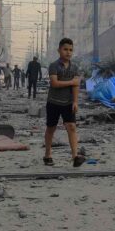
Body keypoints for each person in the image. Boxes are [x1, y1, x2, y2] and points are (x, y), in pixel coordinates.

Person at [44, 38, 84, 168]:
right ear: (59, 50)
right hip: (53, 102)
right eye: (65, 49)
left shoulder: (75, 67)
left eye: (70, 50)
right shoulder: (54, 65)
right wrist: (72, 82)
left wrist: (75, 101)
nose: (68, 52)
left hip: (68, 103)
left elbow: (76, 86)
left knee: (71, 127)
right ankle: (47, 154)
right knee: (51, 128)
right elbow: (54, 83)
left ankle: (75, 157)